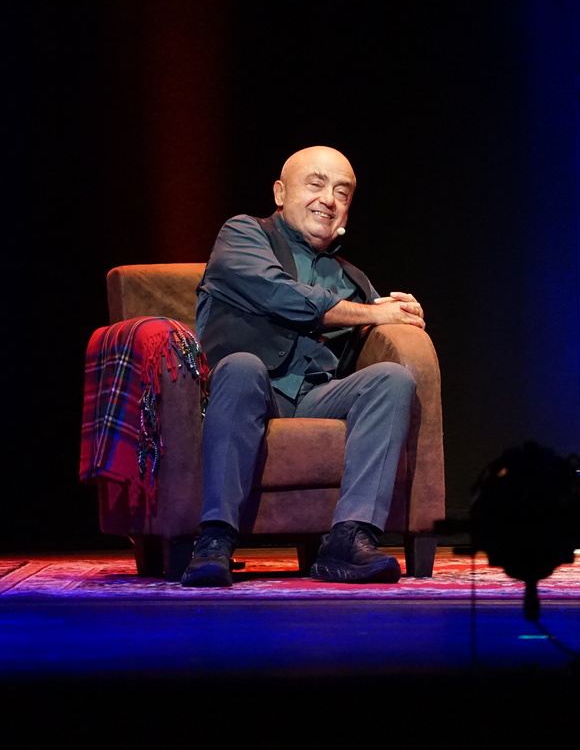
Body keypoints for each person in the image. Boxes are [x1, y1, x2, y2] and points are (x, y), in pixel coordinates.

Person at [181, 146, 426, 587]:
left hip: (313, 397)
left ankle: (350, 537)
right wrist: (372, 313)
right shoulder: (243, 234)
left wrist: (406, 314)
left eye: (341, 193)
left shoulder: (352, 279)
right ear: (280, 193)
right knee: (242, 366)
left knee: (392, 379)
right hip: (247, 390)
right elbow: (281, 296)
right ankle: (215, 538)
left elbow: (382, 317)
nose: (328, 199)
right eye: (315, 184)